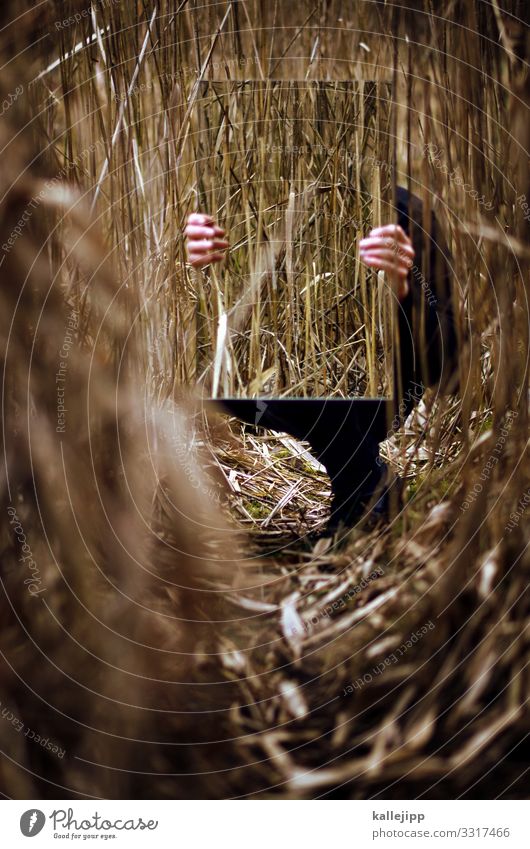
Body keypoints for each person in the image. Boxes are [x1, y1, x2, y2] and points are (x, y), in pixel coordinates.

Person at [185, 187, 457, 528]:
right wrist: (190, 278)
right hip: (255, 391)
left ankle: (360, 482)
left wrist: (403, 292)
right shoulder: (220, 200)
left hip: (380, 403)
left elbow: (451, 362)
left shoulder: (402, 214)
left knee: (328, 387)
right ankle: (364, 477)